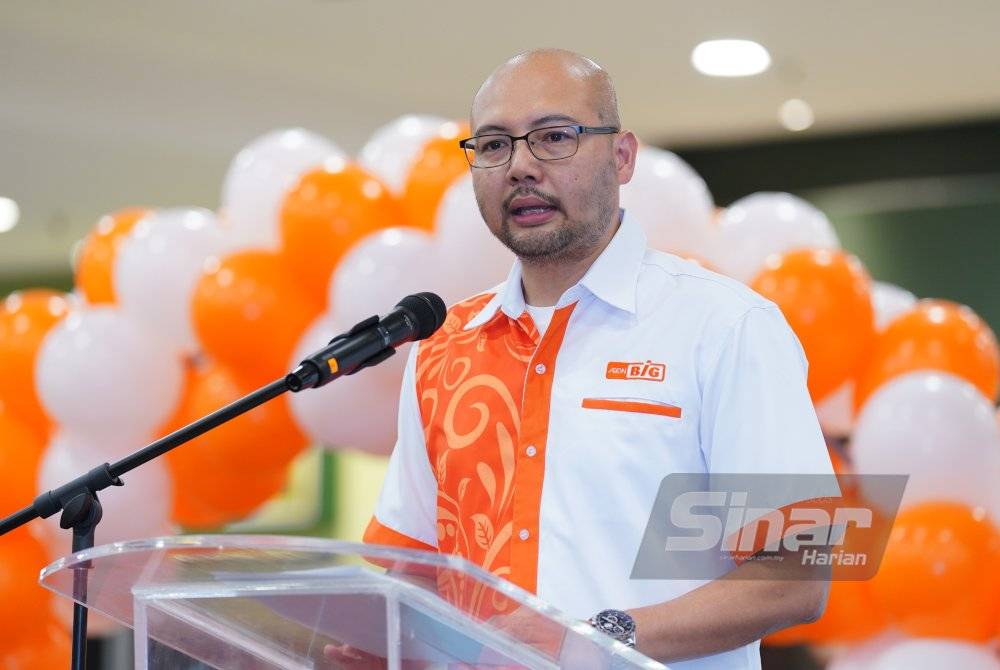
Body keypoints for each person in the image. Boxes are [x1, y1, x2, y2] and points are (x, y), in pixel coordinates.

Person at [358, 49, 836, 668]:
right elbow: (410, 567)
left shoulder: (724, 326)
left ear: (623, 156)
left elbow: (798, 576)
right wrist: (380, 644)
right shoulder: (443, 345)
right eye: (494, 145)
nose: (520, 167)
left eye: (554, 137)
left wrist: (602, 636)